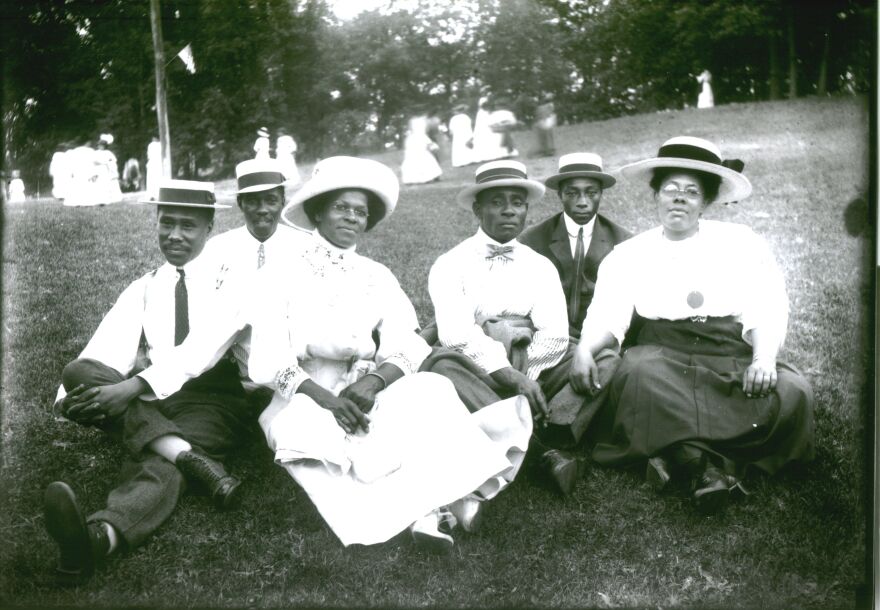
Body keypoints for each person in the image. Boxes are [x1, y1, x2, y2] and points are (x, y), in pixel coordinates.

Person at [144, 156, 533, 552]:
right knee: (308, 433)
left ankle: (434, 512)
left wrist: (375, 380)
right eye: (340, 208)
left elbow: (408, 341)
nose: (351, 218)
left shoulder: (376, 274)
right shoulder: (278, 273)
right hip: (304, 391)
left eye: (360, 212)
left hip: (367, 383)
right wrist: (328, 400)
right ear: (317, 212)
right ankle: (428, 511)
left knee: (430, 391)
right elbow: (270, 357)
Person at [570, 136, 815, 514]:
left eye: (691, 191)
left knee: (793, 391)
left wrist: (763, 358)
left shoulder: (742, 242)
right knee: (635, 374)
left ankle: (685, 458)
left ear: (707, 201)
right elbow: (608, 313)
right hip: (662, 354)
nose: (679, 198)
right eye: (670, 189)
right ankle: (712, 466)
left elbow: (766, 303)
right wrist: (585, 349)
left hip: (728, 350)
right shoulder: (629, 254)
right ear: (656, 196)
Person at [43, 180, 255, 585]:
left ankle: (96, 538)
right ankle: (191, 458)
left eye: (188, 226)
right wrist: (71, 399)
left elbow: (201, 351)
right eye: (167, 223)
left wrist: (130, 389)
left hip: (212, 397)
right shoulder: (147, 285)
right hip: (153, 398)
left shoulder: (233, 280)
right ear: (156, 222)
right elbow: (104, 349)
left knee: (157, 465)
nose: (175, 235)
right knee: (77, 372)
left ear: (208, 227)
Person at [422, 159, 577, 492]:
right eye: (497, 202)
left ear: (526, 211)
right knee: (442, 366)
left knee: (590, 358)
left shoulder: (540, 265)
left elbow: (553, 334)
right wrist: (510, 376)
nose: (509, 211)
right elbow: (455, 335)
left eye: (517, 202)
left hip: (531, 358)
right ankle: (540, 452)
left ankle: (526, 425)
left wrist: (527, 377)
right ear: (477, 209)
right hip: (477, 363)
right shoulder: (450, 264)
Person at [518, 153, 631, 480]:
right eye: (572, 192)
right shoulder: (533, 239)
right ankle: (565, 424)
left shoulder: (622, 242)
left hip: (595, 340)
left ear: (601, 193)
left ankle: (553, 430)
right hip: (546, 336)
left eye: (590, 192)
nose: (582, 201)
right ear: (560, 193)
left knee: (611, 362)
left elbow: (625, 306)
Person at [400, 116, 442, 185]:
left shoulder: (410, 137)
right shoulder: (422, 136)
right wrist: (434, 147)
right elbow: (429, 144)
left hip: (412, 155)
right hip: (420, 154)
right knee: (429, 163)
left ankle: (411, 180)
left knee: (412, 165)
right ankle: (429, 177)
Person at [93, 134, 123, 205]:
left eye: (102, 145)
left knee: (105, 183)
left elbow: (112, 162)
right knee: (97, 183)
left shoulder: (108, 153)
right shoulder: (96, 153)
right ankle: (97, 199)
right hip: (97, 169)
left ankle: (105, 199)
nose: (100, 147)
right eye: (99, 145)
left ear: (105, 146)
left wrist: (107, 164)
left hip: (104, 170)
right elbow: (93, 161)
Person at [448, 103, 474, 168]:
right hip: (465, 133)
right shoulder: (466, 117)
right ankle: (468, 160)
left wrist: (452, 134)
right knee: (466, 146)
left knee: (459, 147)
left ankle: (460, 161)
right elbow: (469, 126)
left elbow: (451, 129)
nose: (454, 112)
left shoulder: (453, 118)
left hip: (458, 135)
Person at [146, 137, 162, 201]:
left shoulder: (150, 145)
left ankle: (152, 195)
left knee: (151, 179)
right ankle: (157, 195)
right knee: (157, 179)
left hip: (153, 163)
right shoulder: (160, 145)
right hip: (158, 163)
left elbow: (148, 155)